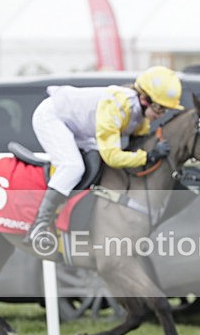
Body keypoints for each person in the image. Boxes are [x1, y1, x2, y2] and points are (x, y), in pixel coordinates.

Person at [24, 65, 183, 246]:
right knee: (73, 167)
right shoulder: (117, 106)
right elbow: (112, 157)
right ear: (144, 99)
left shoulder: (140, 117)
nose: (160, 115)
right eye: (159, 108)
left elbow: (134, 147)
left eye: (165, 110)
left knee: (95, 162)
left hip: (79, 126)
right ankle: (39, 225)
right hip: (53, 117)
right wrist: (148, 156)